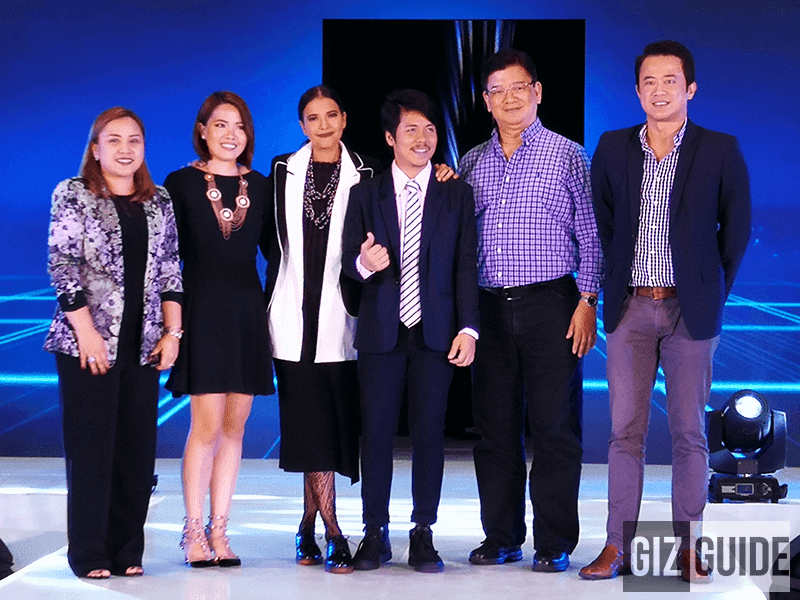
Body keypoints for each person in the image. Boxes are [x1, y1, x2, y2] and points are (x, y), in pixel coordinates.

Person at [580, 40, 751, 582]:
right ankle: (617, 547)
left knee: (689, 435)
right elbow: (603, 226)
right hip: (631, 308)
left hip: (690, 313)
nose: (659, 90)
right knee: (624, 434)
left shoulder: (719, 149)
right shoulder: (612, 147)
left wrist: (708, 292)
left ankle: (689, 548)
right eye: (649, 82)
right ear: (637, 91)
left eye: (670, 81)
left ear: (690, 88)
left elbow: (736, 233)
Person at [459, 49, 603, 573]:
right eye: (498, 90)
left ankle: (555, 541)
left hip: (553, 305)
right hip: (489, 310)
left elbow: (592, 235)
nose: (510, 98)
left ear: (537, 92)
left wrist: (587, 301)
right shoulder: (471, 162)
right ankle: (501, 537)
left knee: (554, 428)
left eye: (519, 87)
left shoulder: (568, 155)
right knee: (494, 430)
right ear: (486, 101)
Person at [342, 89, 479, 574]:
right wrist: (364, 263)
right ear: (389, 138)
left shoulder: (456, 193)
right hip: (381, 330)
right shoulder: (365, 194)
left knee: (430, 434)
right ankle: (374, 531)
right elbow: (347, 264)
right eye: (411, 130)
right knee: (376, 434)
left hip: (436, 332)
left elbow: (466, 265)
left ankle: (423, 531)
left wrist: (469, 328)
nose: (423, 139)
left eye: (430, 130)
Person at [44, 107, 183, 578]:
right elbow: (62, 267)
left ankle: (126, 552)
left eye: (134, 140)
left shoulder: (159, 200)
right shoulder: (74, 193)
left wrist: (172, 333)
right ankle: (88, 554)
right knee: (92, 451)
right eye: (114, 140)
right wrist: (87, 334)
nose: (125, 149)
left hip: (144, 345)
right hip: (87, 345)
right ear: (96, 148)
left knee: (136, 454)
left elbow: (170, 268)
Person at [266, 85, 381, 574]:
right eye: (313, 118)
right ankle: (333, 531)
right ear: (302, 126)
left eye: (331, 115)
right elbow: (269, 241)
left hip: (344, 315)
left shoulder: (368, 172)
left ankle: (307, 525)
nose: (323, 126)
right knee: (310, 423)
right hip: (292, 314)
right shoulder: (280, 170)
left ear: (344, 119)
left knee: (330, 425)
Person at [165, 91, 274, 567]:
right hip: (202, 311)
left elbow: (278, 252)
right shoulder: (180, 183)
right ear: (203, 130)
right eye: (221, 125)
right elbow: (166, 257)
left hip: (247, 313)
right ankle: (192, 532)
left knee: (235, 427)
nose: (232, 135)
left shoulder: (262, 186)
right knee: (206, 425)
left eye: (240, 126)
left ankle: (220, 532)